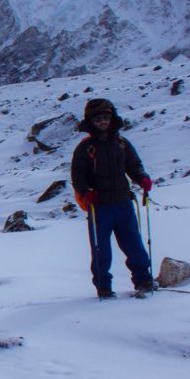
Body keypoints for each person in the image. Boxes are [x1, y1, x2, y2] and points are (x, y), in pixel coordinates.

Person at [71, 98, 155, 299]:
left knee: (134, 244)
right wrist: (85, 192)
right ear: (91, 121)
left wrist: (142, 178)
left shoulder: (122, 144)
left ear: (112, 118)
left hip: (123, 203)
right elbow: (78, 175)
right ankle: (104, 287)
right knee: (101, 250)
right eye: (98, 118)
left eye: (105, 117)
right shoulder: (85, 148)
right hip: (99, 206)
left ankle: (143, 280)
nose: (102, 122)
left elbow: (134, 165)